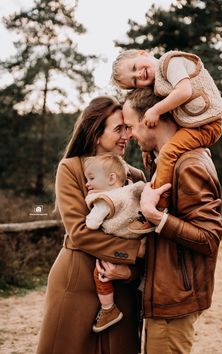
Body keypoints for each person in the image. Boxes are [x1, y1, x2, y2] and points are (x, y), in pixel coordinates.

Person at [36, 96, 146, 354]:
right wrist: (134, 252)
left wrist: (129, 273)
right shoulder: (70, 169)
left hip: (121, 289)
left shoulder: (135, 176)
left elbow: (145, 232)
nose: (126, 135)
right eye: (118, 129)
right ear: (96, 134)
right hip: (76, 284)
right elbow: (80, 233)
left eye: (127, 128)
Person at [122, 87, 222, 354]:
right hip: (166, 294)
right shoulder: (167, 160)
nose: (129, 135)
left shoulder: (188, 164)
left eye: (131, 126)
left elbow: (209, 237)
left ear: (151, 120)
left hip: (175, 299)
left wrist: (157, 217)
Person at [111, 49, 222, 213]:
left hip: (207, 125)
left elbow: (185, 91)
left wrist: (155, 110)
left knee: (168, 153)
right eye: (134, 81)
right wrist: (148, 148)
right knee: (164, 153)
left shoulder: (171, 62)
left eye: (135, 67)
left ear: (142, 53)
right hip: (195, 123)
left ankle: (159, 204)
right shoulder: (160, 83)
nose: (139, 75)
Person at [83, 153, 148, 333]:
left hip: (118, 247)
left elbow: (91, 223)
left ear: (111, 178)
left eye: (91, 178)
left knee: (100, 275)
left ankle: (108, 309)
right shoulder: (133, 189)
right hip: (140, 238)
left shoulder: (106, 200)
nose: (87, 184)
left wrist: (92, 204)